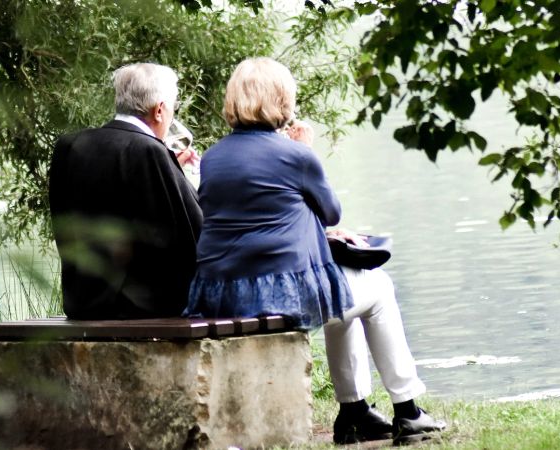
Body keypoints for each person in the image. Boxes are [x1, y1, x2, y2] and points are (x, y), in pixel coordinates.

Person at [183, 57, 446, 446]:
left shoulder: (215, 157)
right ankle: (407, 410)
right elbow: (331, 211)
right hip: (277, 295)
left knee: (346, 299)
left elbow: (260, 211)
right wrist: (306, 151)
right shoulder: (295, 155)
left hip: (222, 293)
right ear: (281, 99)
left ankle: (354, 412)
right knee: (378, 288)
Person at [48, 63, 202, 320]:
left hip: (82, 302)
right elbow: (191, 233)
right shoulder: (149, 151)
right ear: (160, 110)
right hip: (142, 307)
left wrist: (172, 169)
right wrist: (189, 181)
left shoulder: (69, 146)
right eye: (173, 108)